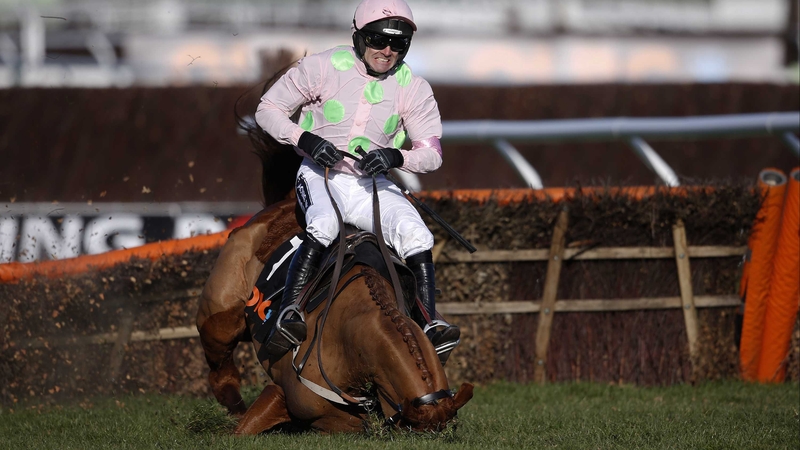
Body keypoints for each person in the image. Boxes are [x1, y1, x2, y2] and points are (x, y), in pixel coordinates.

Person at [255, 0, 460, 364]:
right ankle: (289, 312)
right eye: (378, 40)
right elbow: (267, 110)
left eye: (399, 44)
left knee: (417, 234)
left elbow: (432, 153)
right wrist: (306, 140)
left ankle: (429, 322)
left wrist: (396, 157)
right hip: (320, 175)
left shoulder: (413, 87)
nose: (388, 51)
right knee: (324, 224)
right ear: (359, 37)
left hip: (371, 184)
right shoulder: (320, 67)